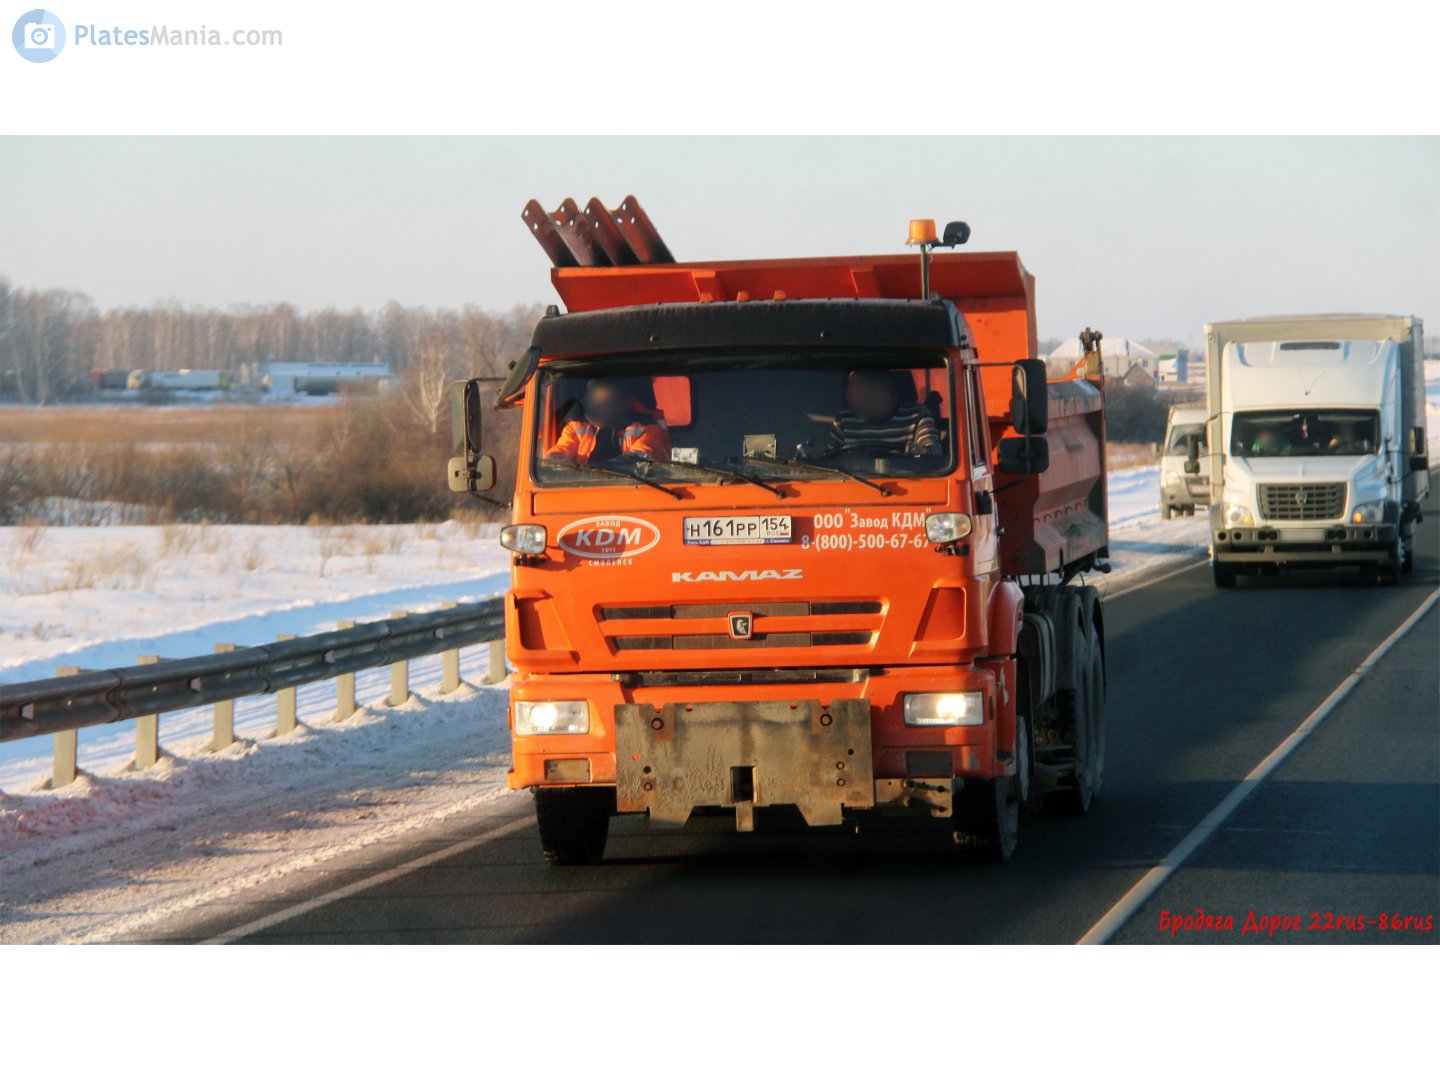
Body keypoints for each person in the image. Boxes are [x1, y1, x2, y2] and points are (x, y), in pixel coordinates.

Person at [544, 377, 671, 465]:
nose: (603, 408)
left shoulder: (648, 429)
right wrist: (554, 461)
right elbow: (562, 450)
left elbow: (642, 458)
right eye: (598, 403)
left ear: (624, 403)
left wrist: (592, 472)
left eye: (610, 403)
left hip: (633, 490)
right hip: (581, 491)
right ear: (587, 402)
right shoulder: (576, 428)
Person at [819, 369, 942, 457]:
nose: (867, 396)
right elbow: (830, 458)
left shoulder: (917, 415)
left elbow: (935, 452)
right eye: (860, 390)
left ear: (890, 388)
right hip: (853, 481)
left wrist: (917, 450)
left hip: (906, 480)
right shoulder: (845, 418)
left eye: (873, 387)